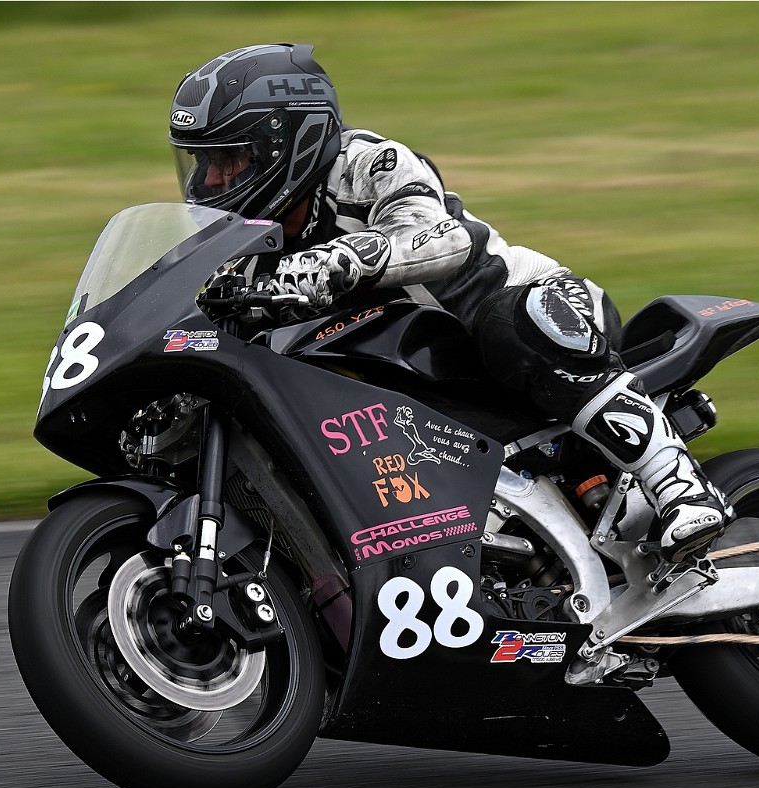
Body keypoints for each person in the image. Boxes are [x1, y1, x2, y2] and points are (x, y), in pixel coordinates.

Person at [168, 43, 727, 571]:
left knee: (516, 324)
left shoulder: (369, 164)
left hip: (537, 312)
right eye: (202, 160)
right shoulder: (240, 243)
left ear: (289, 143)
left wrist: (338, 263)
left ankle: (676, 482)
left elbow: (441, 237)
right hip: (424, 385)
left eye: (229, 158)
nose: (210, 179)